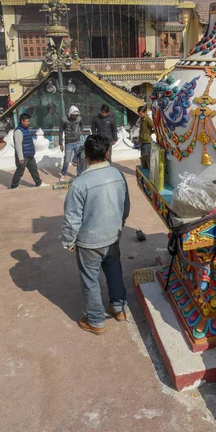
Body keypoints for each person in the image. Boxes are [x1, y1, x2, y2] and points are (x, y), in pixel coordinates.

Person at [62, 134, 130, 334]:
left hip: (89, 242)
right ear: (107, 152)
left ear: (86, 156)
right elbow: (125, 206)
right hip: (113, 235)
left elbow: (72, 218)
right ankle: (119, 309)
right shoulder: (118, 175)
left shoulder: (79, 184)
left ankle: (96, 321)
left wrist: (68, 241)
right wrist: (120, 223)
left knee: (90, 280)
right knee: (114, 270)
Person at [11, 113, 47, 189]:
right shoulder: (18, 131)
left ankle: (38, 183)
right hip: (23, 156)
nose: (28, 122)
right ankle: (14, 186)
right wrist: (20, 158)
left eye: (28, 121)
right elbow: (18, 145)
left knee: (34, 169)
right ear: (22, 121)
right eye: (27, 121)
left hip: (29, 154)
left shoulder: (26, 129)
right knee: (20, 172)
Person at [59, 105, 84, 181]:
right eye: (74, 115)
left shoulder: (79, 119)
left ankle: (79, 174)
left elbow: (82, 125)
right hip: (68, 143)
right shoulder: (64, 120)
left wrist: (81, 131)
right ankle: (63, 173)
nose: (75, 116)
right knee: (67, 160)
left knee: (80, 158)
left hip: (77, 142)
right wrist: (60, 143)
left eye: (76, 115)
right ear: (70, 113)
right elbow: (60, 132)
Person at [137, 105, 153, 169]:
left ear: (145, 112)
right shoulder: (141, 119)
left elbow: (154, 127)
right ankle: (145, 168)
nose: (140, 115)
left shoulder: (147, 119)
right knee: (143, 157)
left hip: (147, 142)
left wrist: (149, 134)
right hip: (142, 141)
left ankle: (149, 170)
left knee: (148, 158)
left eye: (141, 114)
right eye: (139, 114)